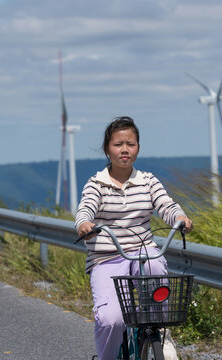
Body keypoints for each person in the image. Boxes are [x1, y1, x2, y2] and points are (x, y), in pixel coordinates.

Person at [75, 116, 193, 360]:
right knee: (111, 320)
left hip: (142, 251)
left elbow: (166, 205)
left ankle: (160, 332)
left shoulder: (148, 181)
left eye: (131, 143)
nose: (125, 149)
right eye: (118, 144)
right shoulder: (97, 184)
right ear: (108, 149)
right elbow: (85, 208)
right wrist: (85, 223)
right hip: (106, 258)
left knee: (155, 263)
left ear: (138, 147)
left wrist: (179, 217)